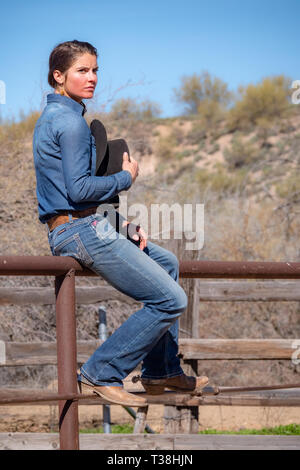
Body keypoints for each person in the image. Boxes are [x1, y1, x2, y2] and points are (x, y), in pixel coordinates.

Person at [33, 40, 209, 407]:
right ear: (58, 75)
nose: (93, 77)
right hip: (77, 231)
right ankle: (100, 373)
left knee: (168, 263)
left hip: (82, 224)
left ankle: (161, 370)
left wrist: (120, 221)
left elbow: (73, 194)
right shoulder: (71, 123)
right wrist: (125, 178)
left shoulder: (57, 118)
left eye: (95, 70)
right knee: (170, 299)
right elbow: (80, 190)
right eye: (82, 70)